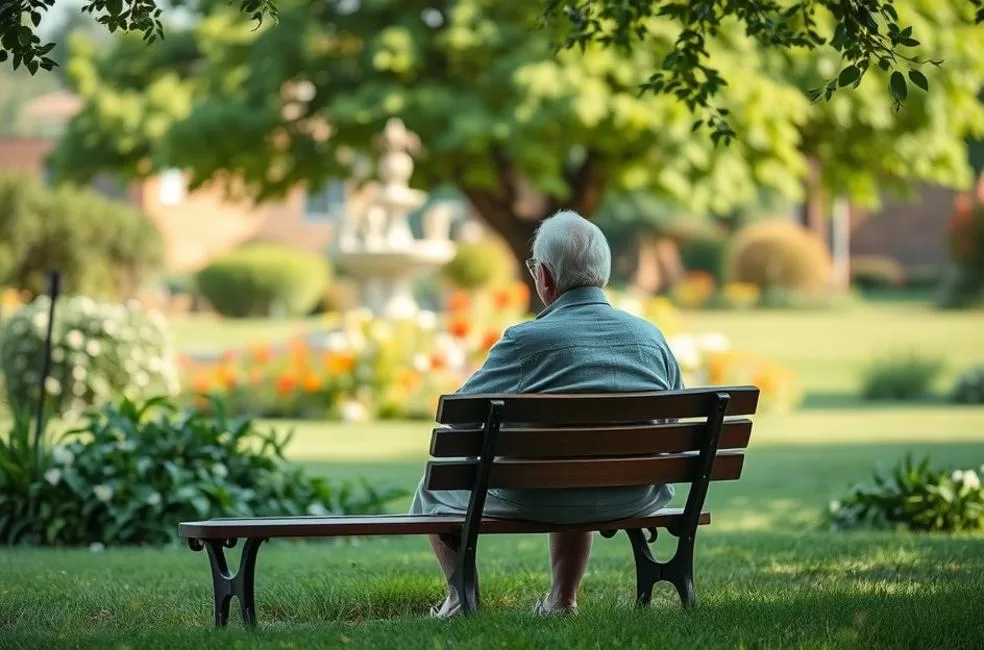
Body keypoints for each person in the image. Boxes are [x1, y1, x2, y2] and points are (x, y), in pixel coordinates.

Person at [409, 210, 684, 617]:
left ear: (546, 277)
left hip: (542, 495)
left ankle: (459, 600)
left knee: (432, 488)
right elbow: (673, 421)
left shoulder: (526, 341)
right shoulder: (650, 337)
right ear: (602, 273)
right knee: (574, 470)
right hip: (635, 494)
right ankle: (562, 600)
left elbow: (459, 417)